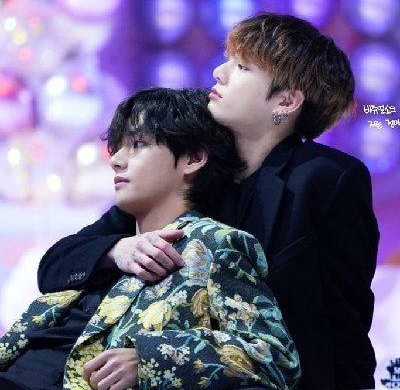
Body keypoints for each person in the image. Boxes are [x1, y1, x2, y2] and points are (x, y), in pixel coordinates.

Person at [36, 13, 379, 389]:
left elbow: (345, 324)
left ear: (286, 100)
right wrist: (119, 250)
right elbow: (56, 266)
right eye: (228, 60)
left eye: (242, 67)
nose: (219, 72)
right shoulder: (193, 168)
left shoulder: (327, 178)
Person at [0, 88, 300, 390]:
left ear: (193, 158)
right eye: (117, 147)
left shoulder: (217, 244)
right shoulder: (106, 245)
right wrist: (116, 251)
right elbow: (52, 267)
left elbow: (274, 358)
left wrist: (149, 359)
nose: (116, 160)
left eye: (138, 144)